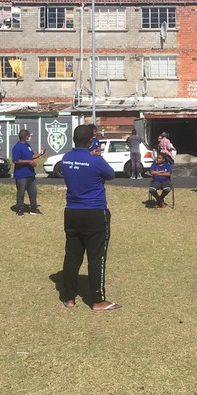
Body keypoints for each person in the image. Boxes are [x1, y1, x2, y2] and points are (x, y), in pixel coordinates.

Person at [60, 124, 121, 312]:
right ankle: (98, 300)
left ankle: (69, 297)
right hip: (95, 212)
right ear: (89, 141)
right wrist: (95, 157)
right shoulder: (96, 161)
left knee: (72, 255)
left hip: (72, 211)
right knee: (96, 257)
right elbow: (110, 175)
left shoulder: (65, 158)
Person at [11, 129, 46, 216]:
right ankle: (20, 210)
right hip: (21, 175)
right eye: (28, 135)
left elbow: (31, 156)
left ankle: (33, 209)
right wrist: (28, 162)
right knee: (21, 193)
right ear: (24, 136)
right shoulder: (17, 147)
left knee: (33, 192)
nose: (29, 137)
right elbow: (15, 160)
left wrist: (40, 154)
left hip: (30, 174)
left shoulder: (27, 145)